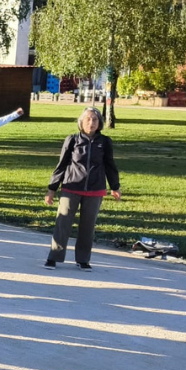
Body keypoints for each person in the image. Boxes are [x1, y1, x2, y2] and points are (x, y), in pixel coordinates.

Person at [44, 107, 121, 270]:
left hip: (95, 189)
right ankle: (54, 257)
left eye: (95, 119)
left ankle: (83, 260)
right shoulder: (72, 140)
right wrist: (52, 189)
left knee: (88, 226)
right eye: (88, 119)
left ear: (99, 123)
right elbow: (62, 165)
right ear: (81, 122)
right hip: (71, 187)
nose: (91, 122)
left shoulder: (105, 142)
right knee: (62, 223)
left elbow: (110, 165)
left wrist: (115, 186)